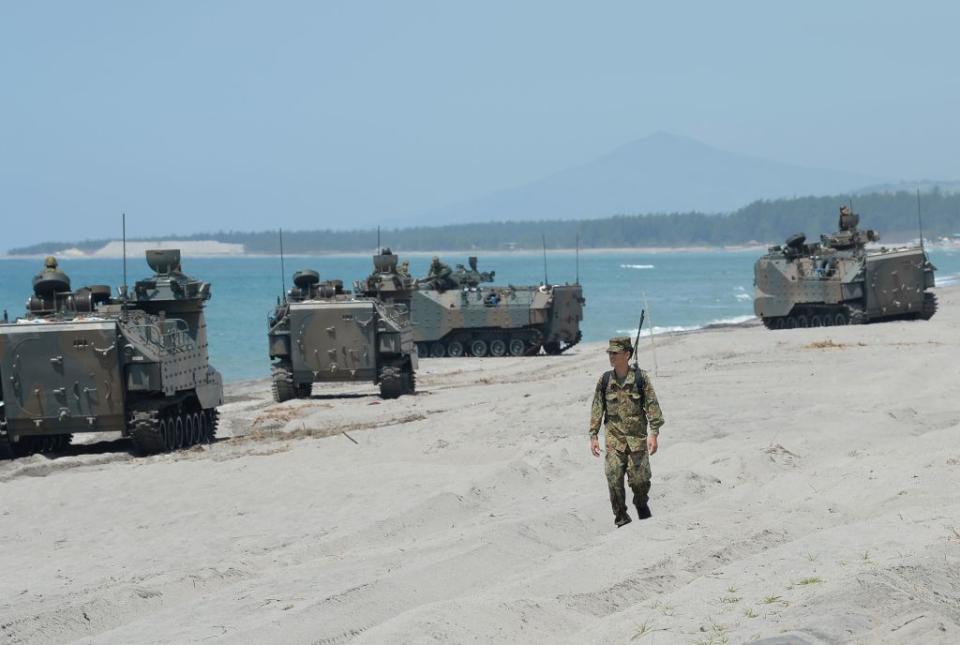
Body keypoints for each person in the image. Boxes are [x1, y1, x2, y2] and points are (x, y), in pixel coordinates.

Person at [589, 336, 665, 527]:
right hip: (614, 439)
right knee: (613, 477)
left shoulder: (640, 379)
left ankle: (641, 503)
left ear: (627, 354)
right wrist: (593, 436)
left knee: (639, 481)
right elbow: (597, 408)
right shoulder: (605, 380)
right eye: (610, 353)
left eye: (615, 353)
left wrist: (653, 433)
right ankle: (621, 518)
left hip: (637, 439)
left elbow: (652, 406)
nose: (612, 357)